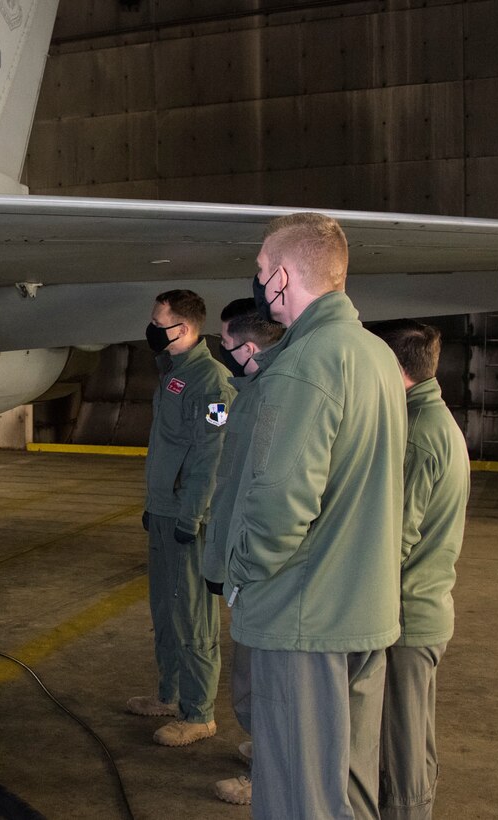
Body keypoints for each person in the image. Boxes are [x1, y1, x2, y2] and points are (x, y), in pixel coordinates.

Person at [222, 213, 407, 819]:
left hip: (304, 619)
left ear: (280, 276)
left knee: (299, 797)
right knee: (348, 793)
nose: (256, 284)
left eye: (258, 273)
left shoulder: (304, 365)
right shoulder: (376, 355)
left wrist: (241, 572)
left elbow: (280, 505)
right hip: (362, 609)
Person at [370, 319, 470, 820]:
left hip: (408, 617)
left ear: (395, 367)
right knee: (415, 739)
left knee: (401, 747)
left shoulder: (417, 434)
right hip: (428, 610)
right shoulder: (438, 419)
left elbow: (395, 540)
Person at [128, 289, 236, 747]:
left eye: (159, 322)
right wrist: (155, 506)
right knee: (165, 611)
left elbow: (209, 458)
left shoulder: (211, 383)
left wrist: (190, 517)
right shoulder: (173, 373)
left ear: (184, 328)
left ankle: (199, 713)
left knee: (192, 617)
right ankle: (169, 695)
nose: (152, 328)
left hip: (186, 518)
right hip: (163, 511)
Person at [203, 307, 285, 806]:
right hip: (237, 550)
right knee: (250, 675)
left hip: (257, 563)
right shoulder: (251, 393)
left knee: (262, 681)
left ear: (247, 349)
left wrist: (243, 564)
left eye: (226, 343)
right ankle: (267, 755)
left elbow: (269, 492)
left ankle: (270, 774)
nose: (222, 352)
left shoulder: (263, 396)